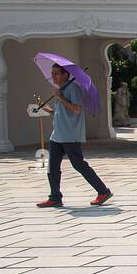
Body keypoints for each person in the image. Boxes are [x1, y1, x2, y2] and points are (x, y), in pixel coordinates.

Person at [35, 63, 112, 209]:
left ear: (65, 75)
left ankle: (103, 191)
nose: (53, 76)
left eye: (56, 73)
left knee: (79, 165)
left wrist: (60, 97)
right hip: (57, 134)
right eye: (52, 73)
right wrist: (46, 108)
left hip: (70, 135)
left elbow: (76, 109)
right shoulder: (61, 89)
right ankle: (55, 197)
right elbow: (60, 112)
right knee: (52, 167)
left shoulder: (72, 89)